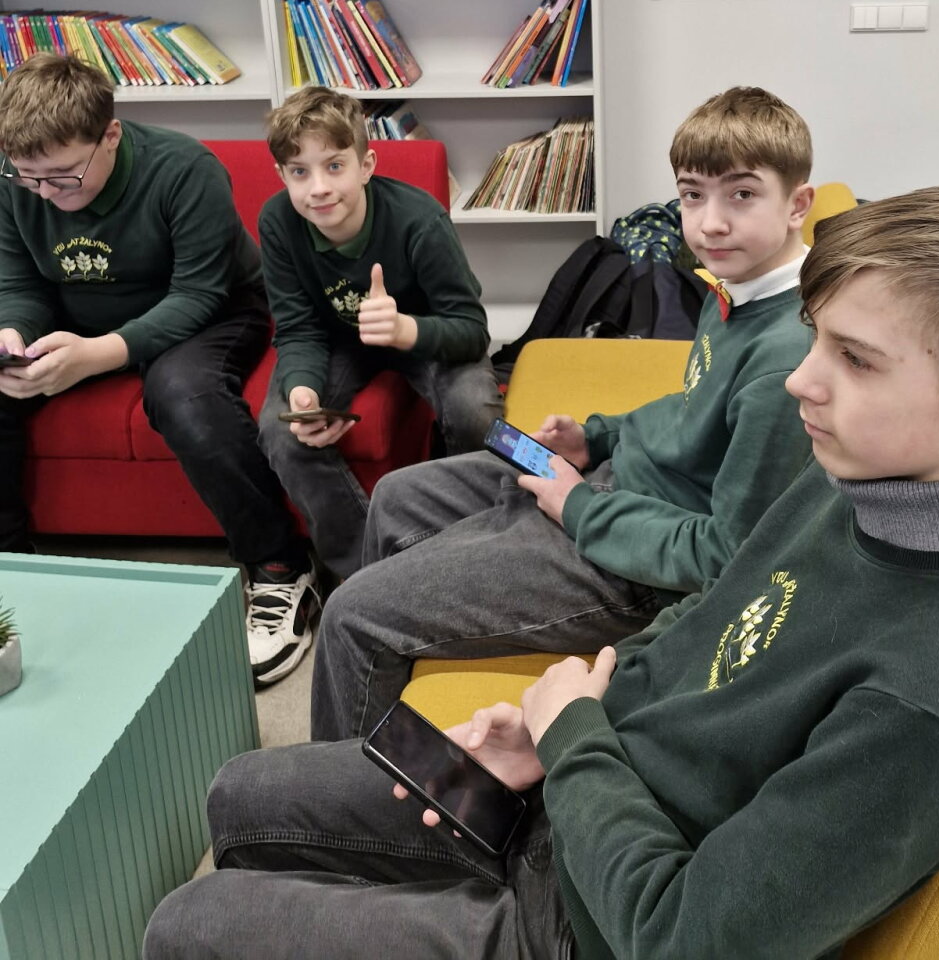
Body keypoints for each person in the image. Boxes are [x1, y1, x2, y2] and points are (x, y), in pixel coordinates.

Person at [142, 185, 939, 960]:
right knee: (239, 794)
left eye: (857, 360)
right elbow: (708, 620)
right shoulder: (858, 483)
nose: (802, 379)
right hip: (567, 800)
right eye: (817, 338)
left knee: (191, 924)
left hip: (578, 926)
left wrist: (577, 742)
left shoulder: (931, 702)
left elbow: (681, 940)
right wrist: (557, 735)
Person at [310, 84, 817, 741]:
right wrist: (596, 437)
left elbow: (729, 557)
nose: (710, 223)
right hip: (612, 488)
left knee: (351, 615)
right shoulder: (738, 285)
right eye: (693, 195)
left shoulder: (784, 364)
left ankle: (343, 794)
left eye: (741, 195)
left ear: (798, 205)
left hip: (639, 565)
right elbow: (694, 407)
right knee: (398, 497)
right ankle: (395, 700)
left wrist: (577, 506)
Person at [0, 53, 316, 686]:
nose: (46, 193)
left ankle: (282, 567)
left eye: (63, 176)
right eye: (28, 178)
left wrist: (99, 353)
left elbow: (198, 293)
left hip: (211, 313)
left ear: (110, 135)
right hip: (75, 315)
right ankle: (12, 566)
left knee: (185, 395)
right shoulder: (19, 180)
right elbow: (21, 284)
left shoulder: (184, 169)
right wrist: (14, 335)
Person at [255, 85, 502, 590]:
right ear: (281, 176)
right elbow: (298, 328)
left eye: (334, 166)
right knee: (282, 430)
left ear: (366, 165)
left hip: (425, 330)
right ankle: (373, 575)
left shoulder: (420, 220)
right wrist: (303, 389)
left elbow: (472, 330)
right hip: (340, 340)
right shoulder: (278, 223)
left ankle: (476, 546)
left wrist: (405, 329)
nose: (318, 188)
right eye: (299, 172)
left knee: (475, 410)